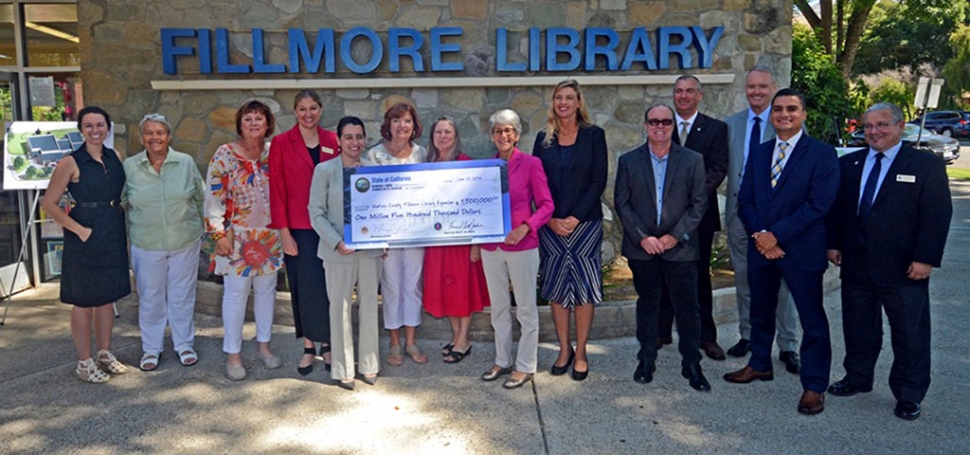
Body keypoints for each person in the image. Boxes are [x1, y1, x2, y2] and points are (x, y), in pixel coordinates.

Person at [825, 102, 952, 421]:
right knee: (858, 327)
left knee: (910, 334)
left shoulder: (924, 165)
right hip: (856, 264)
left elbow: (937, 215)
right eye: (868, 126)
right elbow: (840, 210)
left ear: (900, 126)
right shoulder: (850, 164)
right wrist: (834, 244)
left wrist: (925, 258)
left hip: (905, 268)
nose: (874, 132)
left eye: (881, 125)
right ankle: (857, 377)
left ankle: (909, 393)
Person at [724, 89, 839, 416]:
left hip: (801, 251)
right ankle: (759, 363)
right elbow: (744, 199)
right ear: (771, 115)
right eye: (778, 110)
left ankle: (814, 385)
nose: (783, 114)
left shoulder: (822, 154)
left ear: (803, 114)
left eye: (791, 109)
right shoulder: (759, 154)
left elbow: (819, 205)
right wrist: (761, 236)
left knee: (811, 319)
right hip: (762, 249)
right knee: (761, 310)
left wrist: (777, 236)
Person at [614, 104, 710, 392]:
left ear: (672, 126)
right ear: (645, 125)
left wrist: (675, 236)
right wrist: (643, 237)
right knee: (648, 304)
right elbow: (623, 203)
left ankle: (691, 363)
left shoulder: (692, 160)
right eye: (654, 121)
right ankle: (646, 358)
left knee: (687, 307)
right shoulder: (629, 161)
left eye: (665, 121)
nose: (660, 126)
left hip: (679, 248)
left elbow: (698, 203)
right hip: (642, 248)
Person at [41, 106, 131, 383]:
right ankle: (84, 362)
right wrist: (79, 231)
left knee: (106, 296)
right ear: (81, 129)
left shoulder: (115, 156)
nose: (95, 130)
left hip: (112, 229)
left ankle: (104, 352)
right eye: (89, 126)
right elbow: (49, 204)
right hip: (84, 232)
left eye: (100, 125)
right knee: (83, 300)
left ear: (108, 127)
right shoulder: (70, 162)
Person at [723, 67, 801, 375]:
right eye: (751, 86)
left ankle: (788, 344)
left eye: (762, 87)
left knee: (781, 286)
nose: (756, 92)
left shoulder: (786, 122)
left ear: (773, 88)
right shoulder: (732, 125)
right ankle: (748, 336)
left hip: (775, 222)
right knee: (743, 280)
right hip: (738, 216)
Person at [532, 79, 607, 381]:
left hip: (585, 224)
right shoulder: (543, 139)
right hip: (551, 226)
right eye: (558, 98)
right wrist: (549, 219)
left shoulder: (594, 136)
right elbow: (536, 183)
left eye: (569, 98)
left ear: (579, 103)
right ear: (553, 103)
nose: (563, 103)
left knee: (584, 287)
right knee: (557, 287)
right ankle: (564, 349)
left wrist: (575, 217)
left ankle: (583, 350)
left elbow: (598, 180)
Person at [205, 100, 284, 381]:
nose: (253, 123)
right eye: (248, 119)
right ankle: (233, 354)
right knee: (236, 295)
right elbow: (214, 196)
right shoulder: (224, 155)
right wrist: (217, 233)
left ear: (267, 124)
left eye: (259, 119)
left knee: (266, 292)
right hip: (235, 236)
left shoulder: (275, 152)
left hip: (270, 236)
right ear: (240, 123)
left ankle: (263, 346)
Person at [479, 109, 554, 389]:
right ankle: (502, 360)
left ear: (517, 134)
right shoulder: (486, 166)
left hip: (523, 245)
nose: (503, 135)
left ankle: (525, 365)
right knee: (498, 308)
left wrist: (526, 226)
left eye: (509, 130)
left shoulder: (531, 163)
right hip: (491, 245)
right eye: (498, 131)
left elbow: (547, 205)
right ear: (491, 135)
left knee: (525, 308)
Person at [124, 113, 205, 371]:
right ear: (141, 138)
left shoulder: (185, 162)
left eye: (160, 132)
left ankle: (184, 344)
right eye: (149, 133)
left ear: (169, 136)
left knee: (182, 296)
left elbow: (201, 198)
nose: (154, 137)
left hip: (185, 240)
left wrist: (207, 231)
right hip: (146, 243)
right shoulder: (130, 167)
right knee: (150, 297)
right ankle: (151, 348)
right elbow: (121, 201)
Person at [656, 75, 729, 361]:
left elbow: (719, 168)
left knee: (699, 278)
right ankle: (661, 331)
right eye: (678, 91)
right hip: (663, 218)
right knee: (663, 274)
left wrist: (689, 200)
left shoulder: (715, 129)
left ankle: (706, 338)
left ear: (700, 95)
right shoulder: (662, 125)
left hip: (700, 217)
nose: (683, 96)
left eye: (689, 91)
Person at [309, 116, 383, 390]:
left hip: (369, 251)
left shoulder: (374, 170)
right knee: (339, 308)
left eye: (359, 136)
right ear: (339, 141)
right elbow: (315, 212)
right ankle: (342, 368)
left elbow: (382, 210)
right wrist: (336, 241)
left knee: (368, 307)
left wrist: (383, 239)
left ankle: (369, 364)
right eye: (349, 137)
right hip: (337, 250)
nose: (355, 142)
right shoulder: (325, 171)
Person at [269, 90, 340, 376]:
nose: (308, 113)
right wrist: (284, 232)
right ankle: (309, 347)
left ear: (321, 110)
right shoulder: (282, 143)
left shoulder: (332, 141)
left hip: (330, 228)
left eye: (313, 108)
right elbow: (277, 190)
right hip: (299, 229)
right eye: (302, 108)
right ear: (295, 111)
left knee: (329, 289)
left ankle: (330, 345)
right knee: (304, 289)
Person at [362, 102, 429, 366]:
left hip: (415, 233)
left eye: (408, 121)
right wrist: (376, 237)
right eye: (397, 120)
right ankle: (394, 344)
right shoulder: (375, 155)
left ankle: (411, 342)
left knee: (412, 286)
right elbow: (368, 198)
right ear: (388, 125)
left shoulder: (422, 153)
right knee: (391, 287)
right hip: (386, 236)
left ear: (414, 127)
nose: (402, 126)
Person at [421, 116, 491, 364]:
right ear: (432, 137)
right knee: (445, 289)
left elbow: (477, 207)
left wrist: (476, 243)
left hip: (461, 241)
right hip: (436, 241)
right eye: (438, 132)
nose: (442, 136)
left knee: (462, 288)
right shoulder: (426, 165)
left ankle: (464, 339)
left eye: (447, 132)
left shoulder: (465, 164)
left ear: (455, 136)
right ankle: (456, 336)